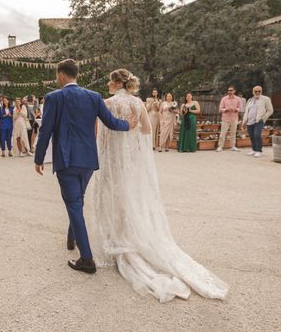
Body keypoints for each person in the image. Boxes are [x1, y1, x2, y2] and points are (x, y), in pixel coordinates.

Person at [89, 69, 228, 302]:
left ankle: (114, 241)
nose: (107, 84)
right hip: (131, 159)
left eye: (109, 81)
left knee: (112, 197)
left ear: (116, 83)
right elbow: (145, 130)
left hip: (111, 159)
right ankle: (129, 237)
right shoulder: (138, 103)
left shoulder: (107, 103)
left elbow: (100, 134)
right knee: (129, 197)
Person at [34, 59, 132, 274]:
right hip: (88, 159)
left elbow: (46, 131)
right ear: (76, 74)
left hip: (67, 160)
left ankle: (86, 259)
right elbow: (112, 122)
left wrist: (38, 158)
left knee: (74, 204)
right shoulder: (94, 97)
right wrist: (128, 125)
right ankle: (72, 237)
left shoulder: (53, 98)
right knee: (77, 201)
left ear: (61, 75)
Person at [242, 86, 274, 158]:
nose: (257, 93)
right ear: (253, 92)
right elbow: (246, 111)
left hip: (259, 120)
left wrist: (263, 118)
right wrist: (244, 121)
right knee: (251, 135)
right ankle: (254, 149)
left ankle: (258, 150)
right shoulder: (250, 100)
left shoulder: (266, 99)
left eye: (259, 91)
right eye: (255, 91)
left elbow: (270, 110)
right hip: (249, 121)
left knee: (257, 135)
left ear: (261, 91)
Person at [216, 86, 241, 152]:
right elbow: (220, 108)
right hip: (225, 118)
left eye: (231, 90)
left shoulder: (238, 99)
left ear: (234, 91)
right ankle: (220, 146)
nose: (229, 91)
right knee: (222, 133)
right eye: (228, 90)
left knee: (233, 133)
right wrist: (225, 109)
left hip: (234, 118)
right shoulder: (224, 99)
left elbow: (240, 107)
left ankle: (233, 146)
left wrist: (236, 109)